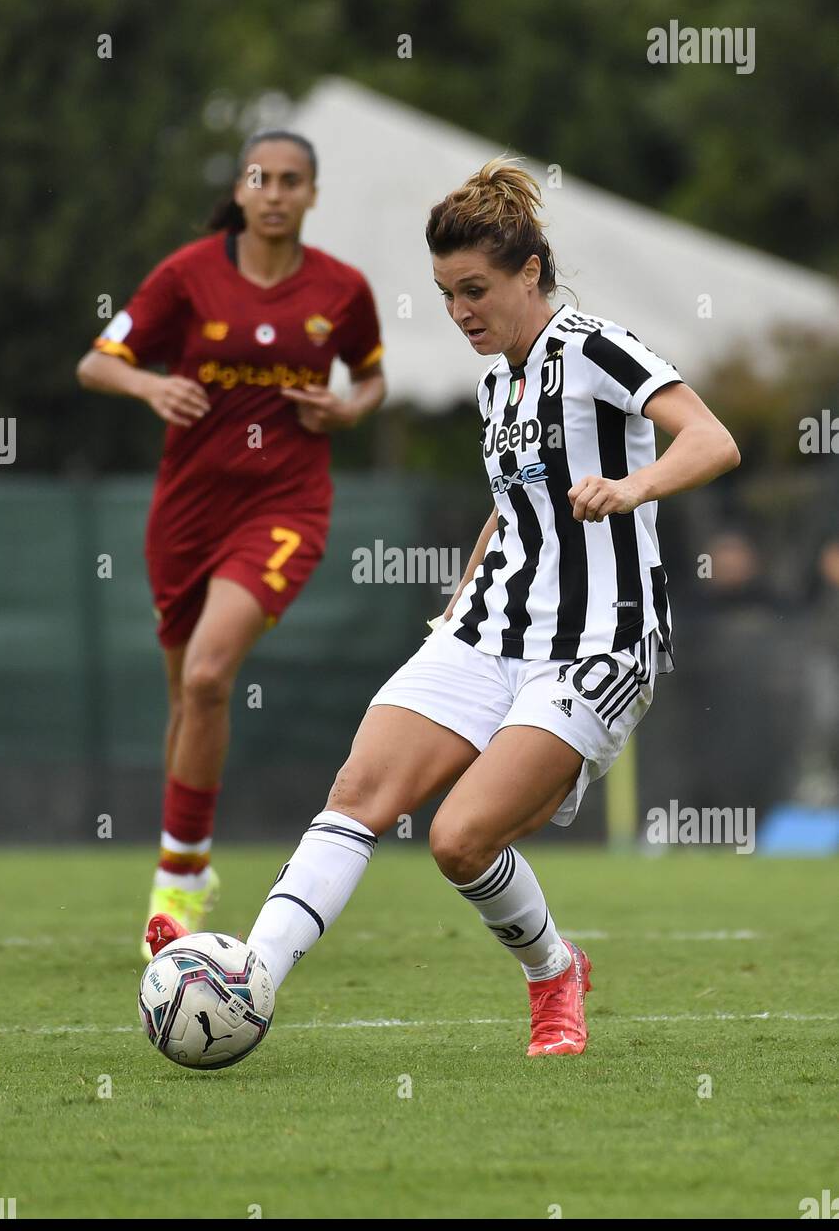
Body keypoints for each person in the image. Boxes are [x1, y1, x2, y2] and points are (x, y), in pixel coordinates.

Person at [148, 157, 740, 1055]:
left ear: (529, 273)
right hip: (487, 627)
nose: (460, 312)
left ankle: (554, 972)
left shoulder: (593, 348)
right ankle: (249, 978)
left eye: (474, 290)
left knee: (461, 840)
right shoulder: (498, 379)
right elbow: (513, 506)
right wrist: (459, 601)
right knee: (357, 794)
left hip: (597, 643)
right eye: (445, 293)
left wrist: (634, 486)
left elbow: (712, 437)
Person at [77, 131, 385, 959]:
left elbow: (372, 378)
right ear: (241, 191)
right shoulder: (186, 276)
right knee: (187, 699)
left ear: (313, 195)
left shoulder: (342, 290)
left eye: (292, 180)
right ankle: (195, 867)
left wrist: (346, 409)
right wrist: (150, 382)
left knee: (212, 674)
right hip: (187, 510)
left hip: (285, 507)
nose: (276, 192)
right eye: (262, 179)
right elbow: (97, 364)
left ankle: (177, 881)